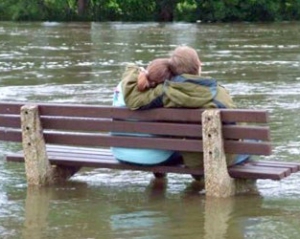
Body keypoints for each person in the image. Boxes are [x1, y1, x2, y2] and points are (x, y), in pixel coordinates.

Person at [122, 46, 250, 169]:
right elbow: (236, 131)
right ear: (199, 65)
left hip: (192, 159)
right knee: (253, 141)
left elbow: (133, 101)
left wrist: (134, 70)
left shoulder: (166, 92)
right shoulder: (218, 93)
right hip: (219, 159)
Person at [111, 59, 182, 166]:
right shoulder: (164, 95)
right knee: (186, 150)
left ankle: (158, 180)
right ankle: (199, 180)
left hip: (120, 154)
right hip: (156, 158)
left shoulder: (123, 85)